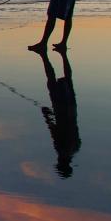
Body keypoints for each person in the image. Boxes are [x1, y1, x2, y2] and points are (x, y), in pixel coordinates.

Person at [33, 48, 81, 178]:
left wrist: (48, 115)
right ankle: (47, 58)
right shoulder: (65, 149)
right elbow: (55, 130)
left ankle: (59, 57)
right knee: (52, 81)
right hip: (62, 111)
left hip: (71, 110)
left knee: (67, 81)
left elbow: (58, 131)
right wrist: (47, 115)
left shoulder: (75, 148)